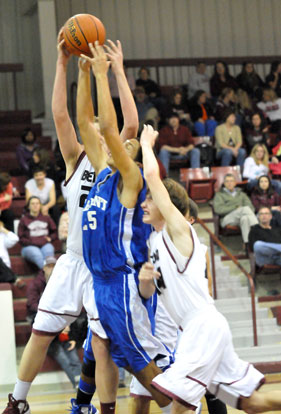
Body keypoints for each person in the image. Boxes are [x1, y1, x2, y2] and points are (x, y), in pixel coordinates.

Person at [138, 124, 281, 414]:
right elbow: (150, 292)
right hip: (199, 328)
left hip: (202, 327)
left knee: (180, 404)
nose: (144, 202)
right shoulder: (154, 240)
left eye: (150, 198)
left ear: (167, 206)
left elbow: (152, 176)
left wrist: (146, 144)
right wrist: (145, 282)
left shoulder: (178, 229)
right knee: (250, 403)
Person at [79, 41, 172, 413]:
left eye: (129, 143)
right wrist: (84, 74)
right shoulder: (103, 172)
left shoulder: (129, 178)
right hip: (100, 283)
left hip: (120, 283)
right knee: (120, 358)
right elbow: (87, 123)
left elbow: (106, 126)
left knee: (141, 365)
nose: (123, 142)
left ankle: (184, 406)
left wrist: (105, 74)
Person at [26, 256, 83, 389]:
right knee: (62, 357)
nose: (52, 269)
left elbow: (70, 306)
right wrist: (51, 315)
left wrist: (68, 330)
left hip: (63, 327)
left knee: (73, 355)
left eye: (54, 266)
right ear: (44, 268)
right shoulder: (35, 284)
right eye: (49, 266)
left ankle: (81, 386)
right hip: (45, 325)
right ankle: (77, 384)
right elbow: (32, 304)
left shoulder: (63, 283)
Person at [213, 173, 258, 245]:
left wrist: (240, 210)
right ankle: (259, 228)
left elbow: (251, 207)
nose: (229, 183)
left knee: (245, 218)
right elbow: (218, 209)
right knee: (245, 209)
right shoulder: (219, 195)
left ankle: (247, 244)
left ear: (235, 183)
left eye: (231, 181)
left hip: (241, 217)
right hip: (227, 219)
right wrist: (235, 208)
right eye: (227, 181)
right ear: (224, 183)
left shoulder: (241, 194)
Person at [18, 196, 57, 269]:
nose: (35, 205)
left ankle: (48, 275)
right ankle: (49, 275)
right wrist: (33, 242)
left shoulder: (46, 218)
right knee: (37, 255)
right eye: (32, 204)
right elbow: (20, 238)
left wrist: (51, 238)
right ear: (28, 206)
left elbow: (55, 231)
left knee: (49, 254)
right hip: (29, 246)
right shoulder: (23, 220)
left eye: (37, 203)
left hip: (45, 244)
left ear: (40, 205)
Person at [0, 221, 25, 288]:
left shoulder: (2, 236)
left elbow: (15, 239)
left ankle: (13, 279)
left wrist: (3, 230)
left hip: (4, 269)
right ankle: (15, 279)